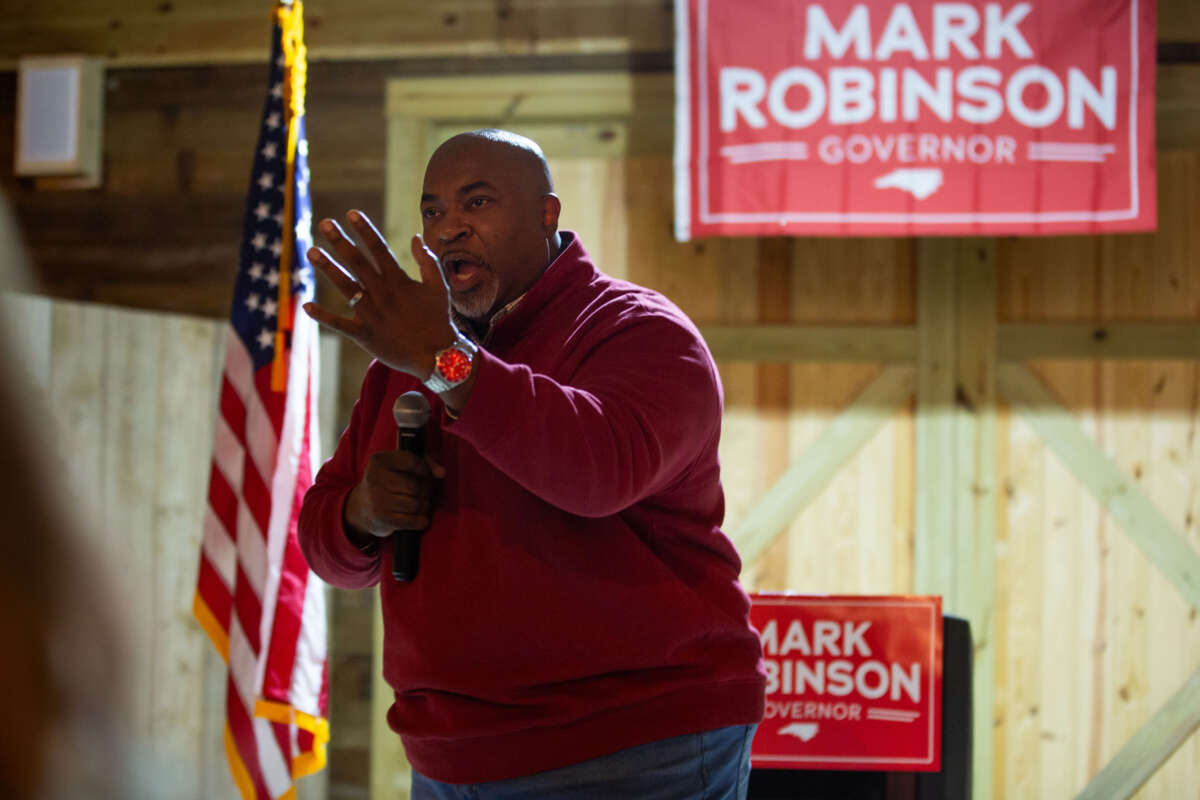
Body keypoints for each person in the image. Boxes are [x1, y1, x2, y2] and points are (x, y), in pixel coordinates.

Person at [298, 129, 766, 799]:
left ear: (547, 214)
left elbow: (598, 470)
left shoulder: (640, 332)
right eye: (432, 212)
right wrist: (361, 513)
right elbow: (325, 544)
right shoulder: (404, 365)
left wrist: (443, 361)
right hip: (450, 757)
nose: (449, 229)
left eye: (477, 202)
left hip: (631, 745)